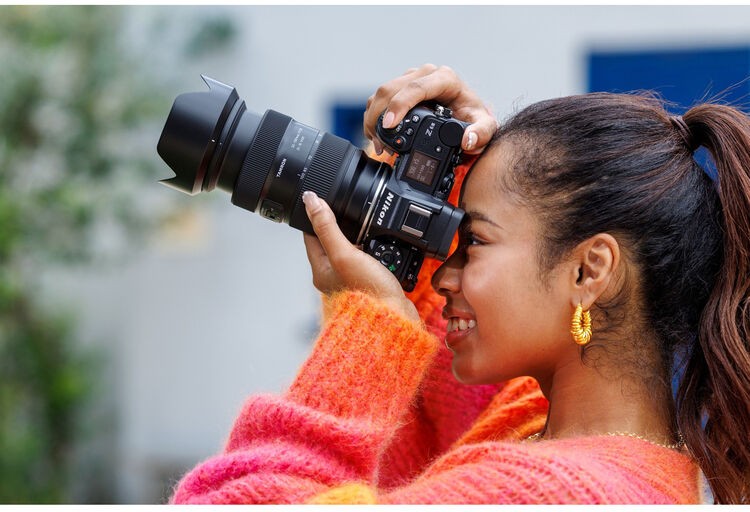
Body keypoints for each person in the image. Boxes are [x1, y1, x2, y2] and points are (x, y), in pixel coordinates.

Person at [169, 64, 750, 504]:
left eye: (474, 241)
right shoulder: (566, 439)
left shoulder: (547, 491)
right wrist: (434, 178)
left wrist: (371, 338)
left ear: (588, 271)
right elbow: (419, 426)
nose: (446, 272)